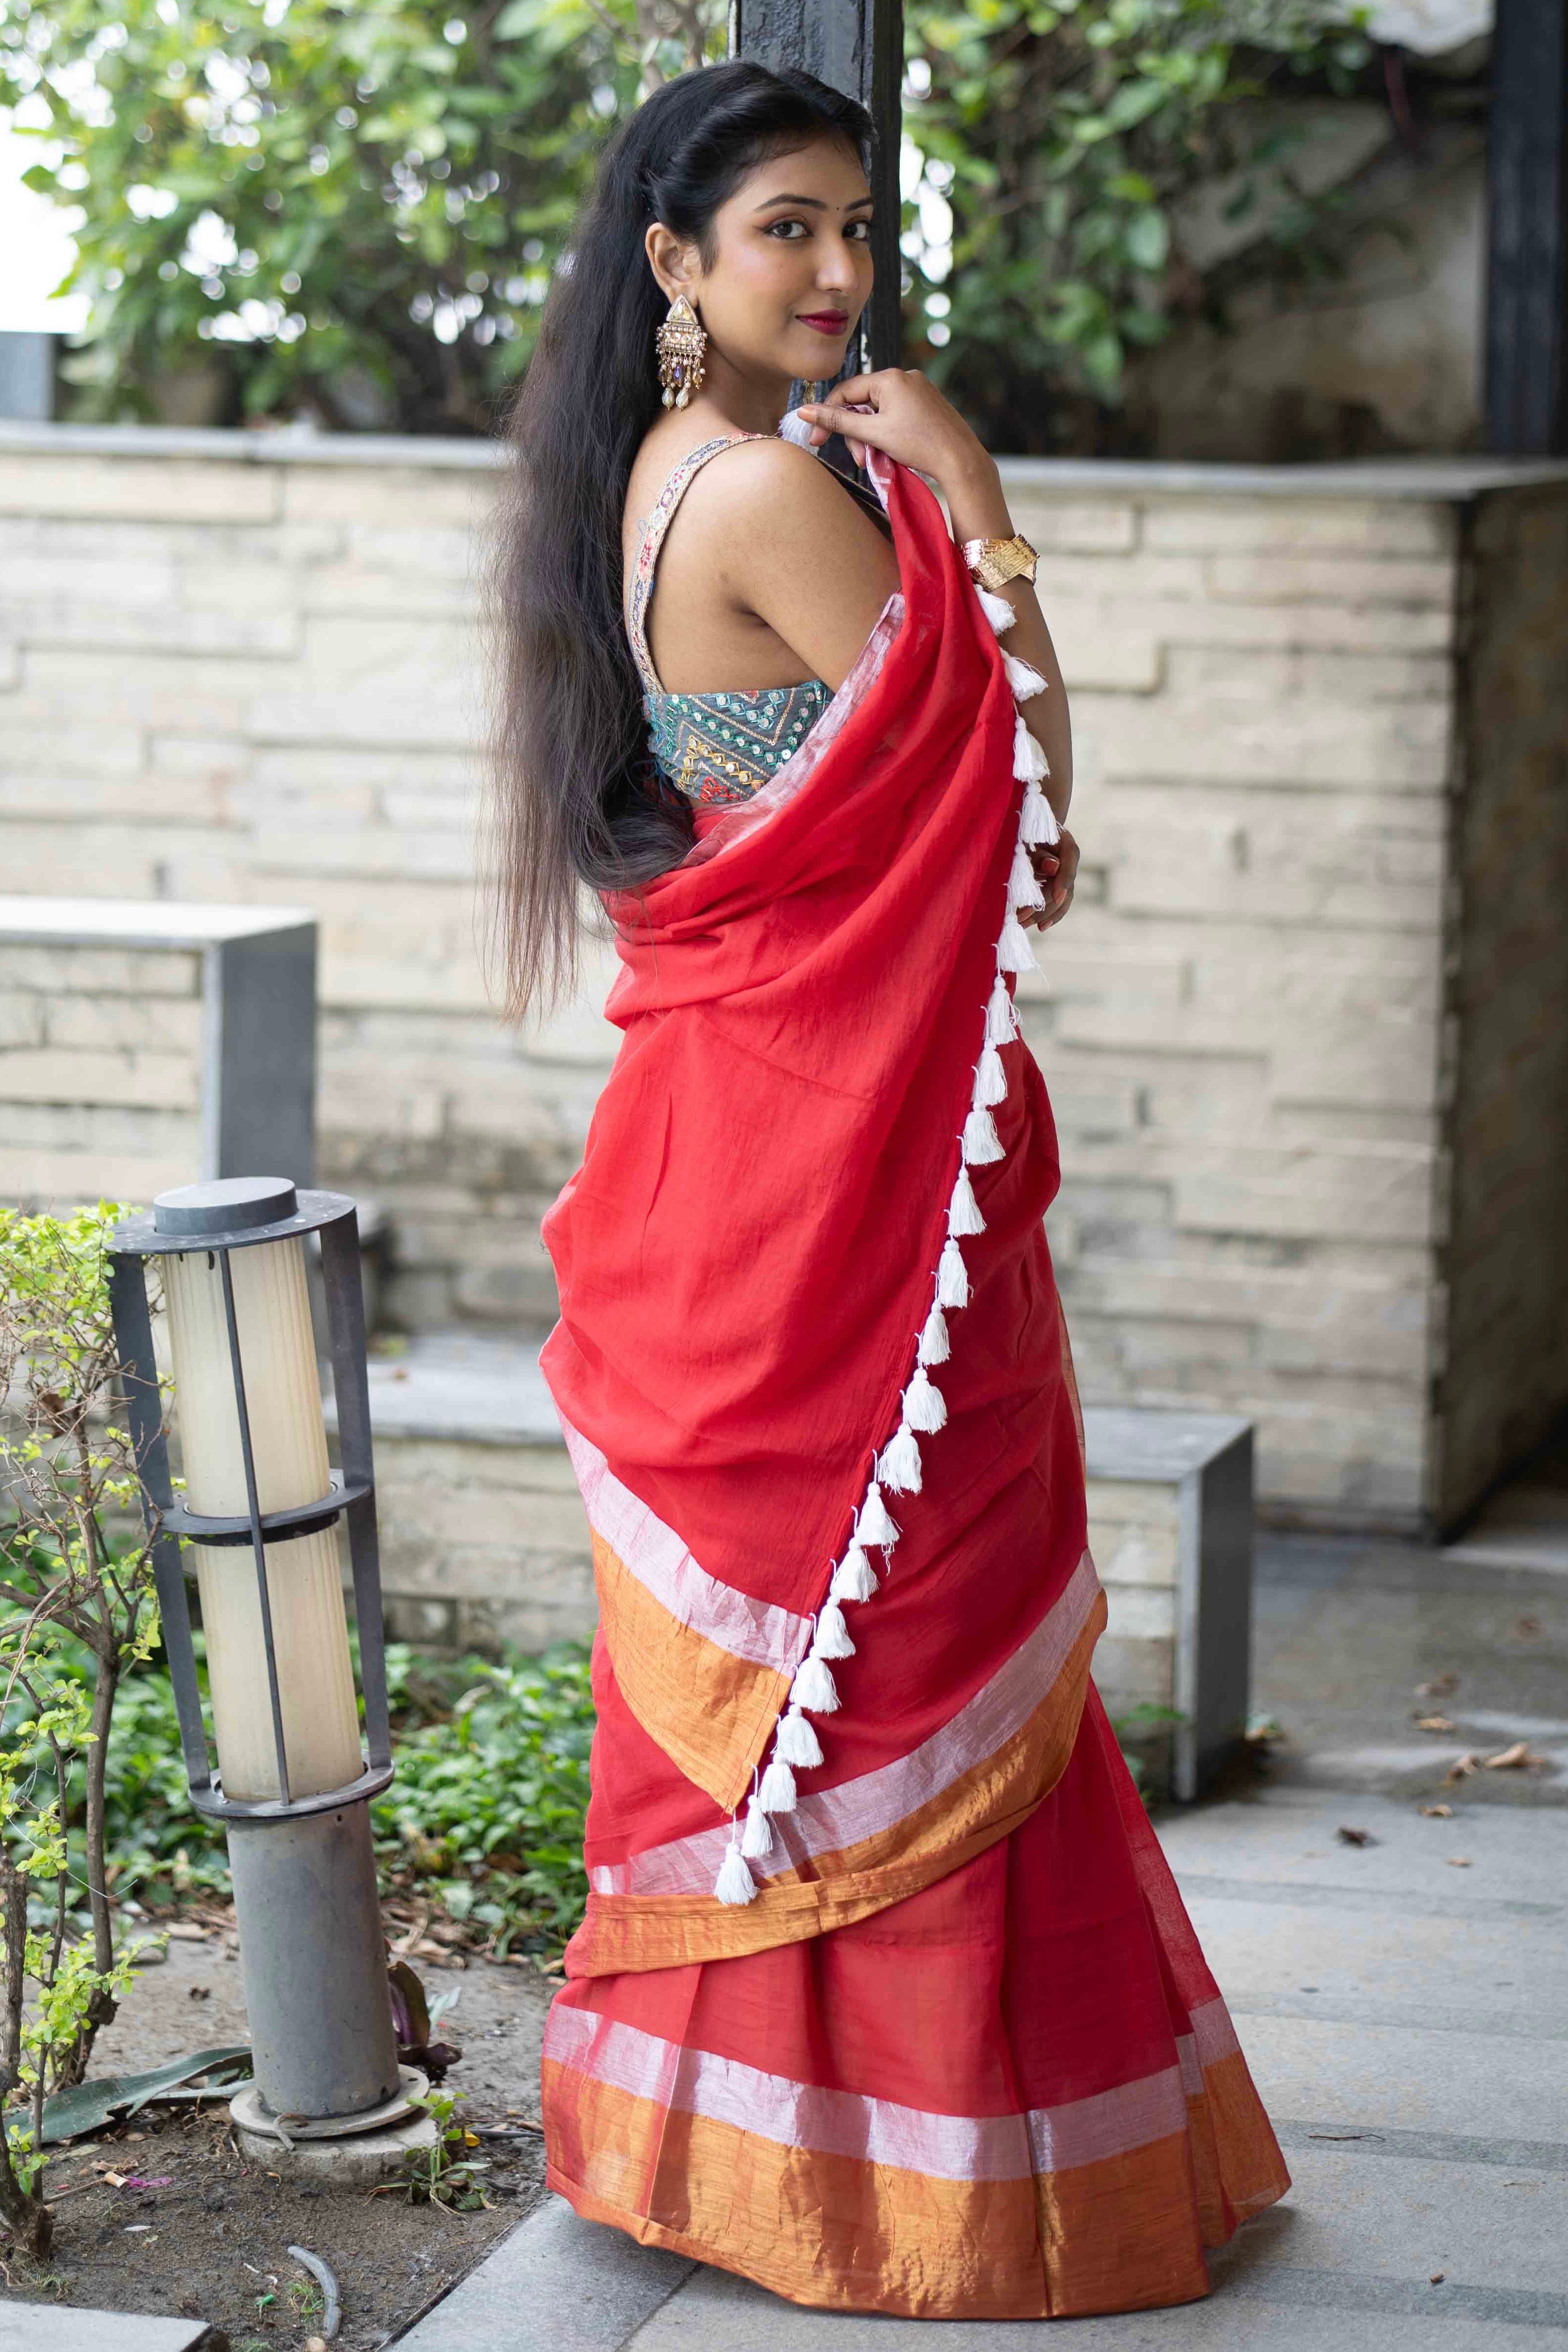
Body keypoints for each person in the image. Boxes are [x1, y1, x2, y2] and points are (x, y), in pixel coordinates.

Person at [491, 56, 1289, 2323]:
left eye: (855, 226)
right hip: (843, 1187)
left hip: (742, 1149)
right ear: (675, 262)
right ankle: (930, 2190)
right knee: (904, 1633)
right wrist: (980, 493)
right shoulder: (767, 491)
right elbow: (1031, 830)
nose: (840, 273)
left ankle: (723, 2155)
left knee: (820, 1675)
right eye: (787, 232)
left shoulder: (646, 475)